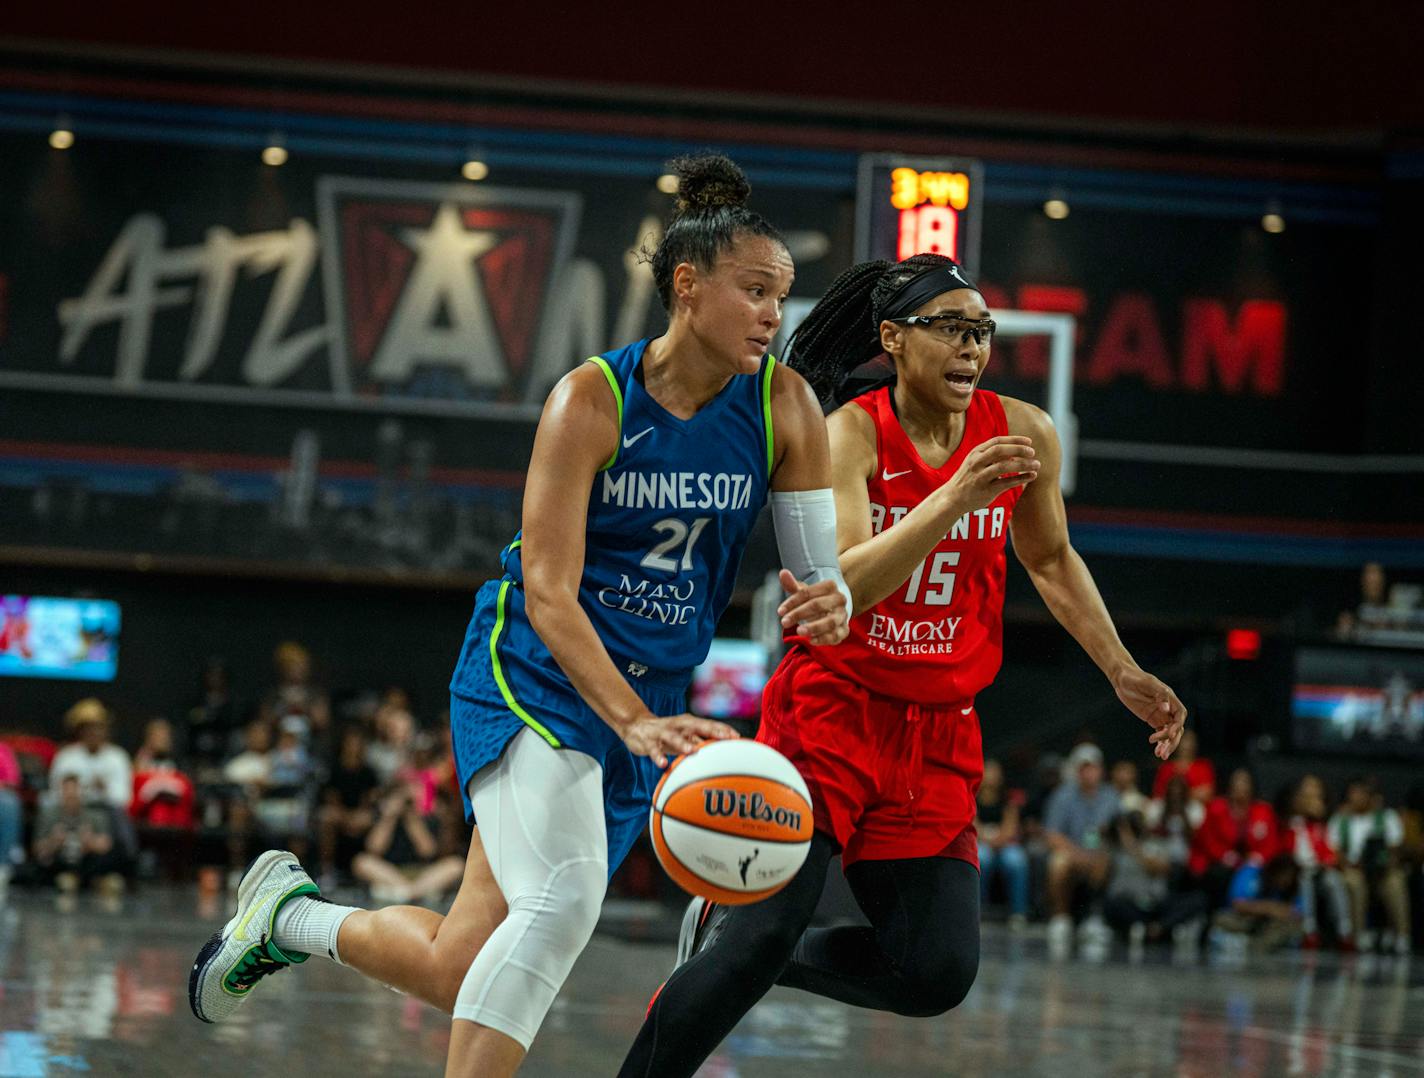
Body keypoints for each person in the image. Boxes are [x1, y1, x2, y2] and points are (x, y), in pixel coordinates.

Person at [188, 154, 850, 1078]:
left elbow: (823, 573)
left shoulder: (787, 406)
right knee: (566, 899)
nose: (776, 316)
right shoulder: (593, 399)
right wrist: (634, 720)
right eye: (756, 292)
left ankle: (290, 918)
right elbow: (547, 588)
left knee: (466, 966)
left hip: (649, 697)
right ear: (688, 288)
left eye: (782, 295)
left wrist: (833, 597)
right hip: (533, 666)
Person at [618, 252, 1186, 1077]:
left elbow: (1054, 561)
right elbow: (842, 584)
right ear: (892, 337)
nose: (971, 349)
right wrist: (953, 495)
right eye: (951, 329)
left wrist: (1121, 670)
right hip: (833, 711)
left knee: (934, 973)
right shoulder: (847, 433)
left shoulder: (1025, 432)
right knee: (762, 935)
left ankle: (731, 942)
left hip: (939, 733)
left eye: (982, 332)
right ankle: (717, 975)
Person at [1043, 742, 1121, 953]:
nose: (1088, 772)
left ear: (1101, 769)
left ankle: (1093, 918)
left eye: (1093, 767)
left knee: (1105, 860)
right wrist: (1077, 854)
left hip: (1099, 854)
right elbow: (1051, 835)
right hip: (1071, 852)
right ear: (1076, 770)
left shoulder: (1111, 796)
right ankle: (1061, 918)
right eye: (1084, 767)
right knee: (1057, 863)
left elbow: (1118, 832)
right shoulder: (1063, 795)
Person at [1329, 777, 1411, 954]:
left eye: (1359, 794)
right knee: (1354, 882)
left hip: (1382, 871)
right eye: (1352, 794)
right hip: (1354, 869)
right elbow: (1336, 852)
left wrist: (1384, 864)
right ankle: (1359, 935)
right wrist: (1350, 864)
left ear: (1371, 797)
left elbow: (1395, 849)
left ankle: (1401, 935)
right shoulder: (1340, 820)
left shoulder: (1387, 818)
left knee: (1395, 882)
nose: (1354, 798)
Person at [976, 758, 1029, 926]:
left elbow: (1011, 827)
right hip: (981, 841)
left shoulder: (1008, 799)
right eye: (988, 771)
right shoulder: (971, 796)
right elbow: (972, 825)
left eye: (995, 772)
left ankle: (1018, 913)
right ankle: (978, 910)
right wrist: (988, 839)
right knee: (981, 858)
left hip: (1004, 844)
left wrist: (998, 840)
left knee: (1017, 861)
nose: (992, 776)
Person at [1150, 727, 1215, 803]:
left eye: (1191, 742)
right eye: (1184, 741)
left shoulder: (1203, 766)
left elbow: (1207, 793)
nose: (1187, 746)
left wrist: (1179, 794)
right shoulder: (1166, 767)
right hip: (1169, 807)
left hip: (1195, 807)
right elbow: (1158, 793)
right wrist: (1192, 792)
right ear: (1177, 743)